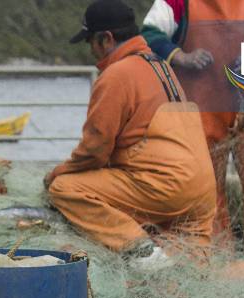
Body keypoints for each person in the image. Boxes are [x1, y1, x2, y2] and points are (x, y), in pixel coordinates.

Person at [45, 0, 216, 259]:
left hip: (167, 188)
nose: (91, 50)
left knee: (65, 188)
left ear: (106, 39)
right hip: (203, 192)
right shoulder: (162, 65)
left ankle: (140, 250)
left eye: (90, 41)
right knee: (193, 268)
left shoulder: (116, 74)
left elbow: (95, 151)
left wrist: (57, 173)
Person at [140, 0, 244, 257]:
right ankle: (215, 259)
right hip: (202, 107)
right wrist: (181, 56)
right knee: (206, 187)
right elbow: (150, 33)